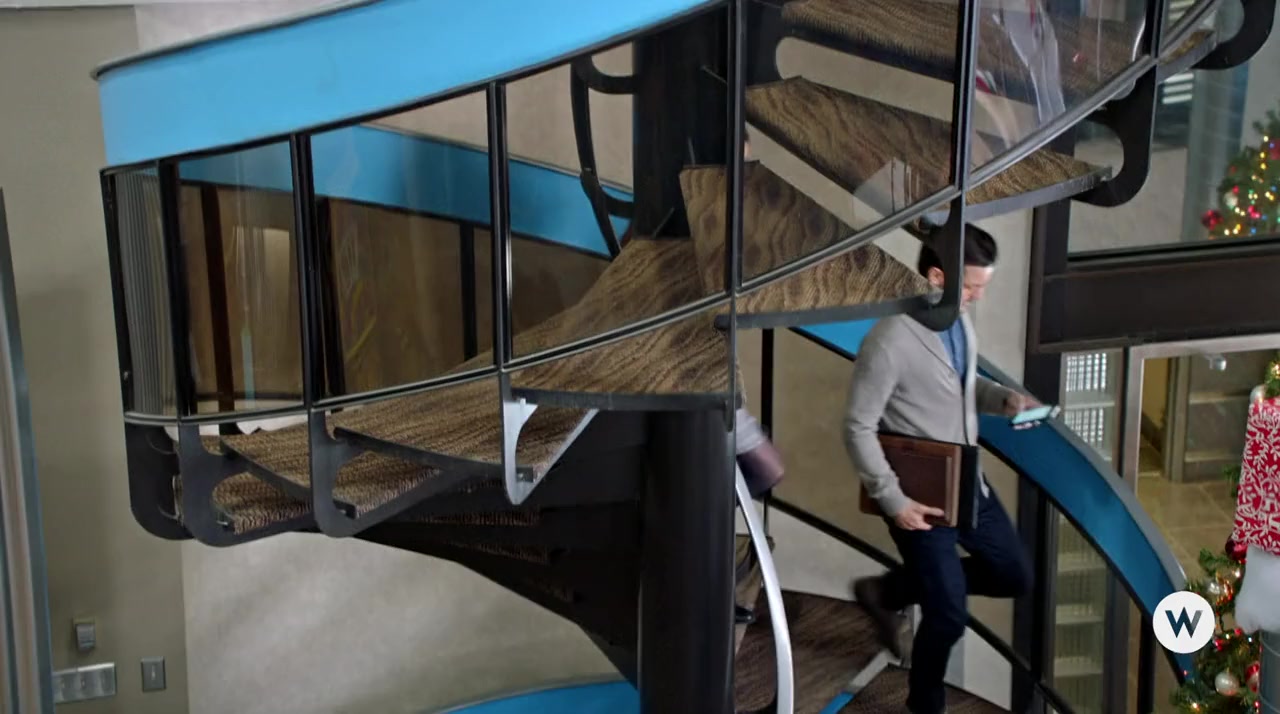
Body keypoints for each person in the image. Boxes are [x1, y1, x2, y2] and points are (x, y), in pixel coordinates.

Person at [844, 225, 1036, 714]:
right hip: (918, 497)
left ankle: (888, 590)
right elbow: (857, 427)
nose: (978, 296)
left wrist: (1003, 400)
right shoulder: (889, 341)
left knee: (1014, 574)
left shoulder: (959, 321)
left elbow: (959, 388)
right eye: (971, 286)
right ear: (936, 277)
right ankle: (923, 704)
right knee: (949, 615)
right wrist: (894, 501)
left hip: (968, 482)